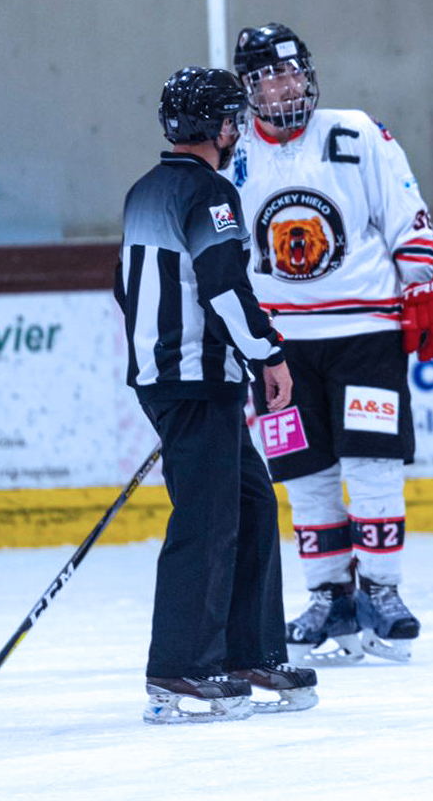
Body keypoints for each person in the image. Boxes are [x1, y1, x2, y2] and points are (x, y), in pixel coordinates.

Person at [226, 23, 433, 665]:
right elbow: (224, 250)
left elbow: (406, 215)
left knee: (372, 464)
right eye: (269, 76)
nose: (284, 85)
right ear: (249, 88)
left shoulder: (357, 132)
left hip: (365, 334)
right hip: (278, 347)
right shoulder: (235, 150)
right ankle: (329, 593)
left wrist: (423, 285)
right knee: (305, 471)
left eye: (292, 71)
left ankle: (382, 591)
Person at [116, 66, 318, 724]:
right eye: (235, 117)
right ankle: (179, 669)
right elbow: (225, 288)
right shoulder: (212, 194)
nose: (239, 129)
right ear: (223, 126)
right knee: (205, 522)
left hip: (177, 379)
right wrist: (268, 355)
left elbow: (126, 287)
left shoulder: (145, 190)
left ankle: (246, 651)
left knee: (251, 506)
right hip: (197, 382)